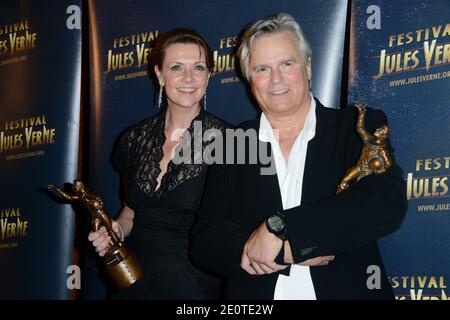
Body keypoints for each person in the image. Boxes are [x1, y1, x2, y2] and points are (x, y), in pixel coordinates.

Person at [190, 13, 407, 299]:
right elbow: (205, 239)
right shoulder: (233, 143)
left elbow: (384, 202)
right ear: (249, 79)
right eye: (262, 69)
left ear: (307, 67)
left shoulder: (356, 127)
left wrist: (288, 234)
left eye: (287, 64)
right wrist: (270, 251)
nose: (275, 79)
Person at [88, 28, 230, 299]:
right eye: (176, 67)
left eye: (198, 67)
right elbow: (131, 213)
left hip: (194, 288)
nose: (188, 78)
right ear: (160, 74)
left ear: (209, 76)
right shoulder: (133, 139)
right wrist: (115, 230)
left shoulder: (229, 142)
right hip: (132, 283)